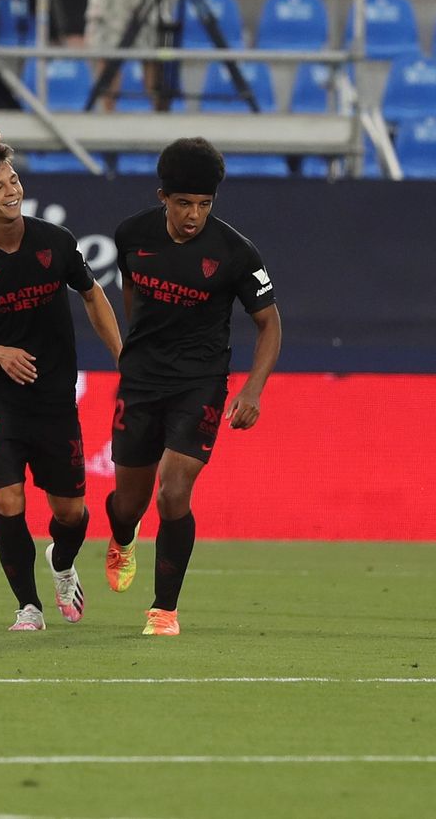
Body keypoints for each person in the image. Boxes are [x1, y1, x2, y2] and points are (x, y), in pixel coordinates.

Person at [105, 138, 282, 636]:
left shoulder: (236, 253)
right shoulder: (131, 235)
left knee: (174, 491)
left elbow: (270, 324)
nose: (193, 216)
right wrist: (135, 345)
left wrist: (252, 390)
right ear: (163, 196)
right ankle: (122, 535)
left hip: (200, 384)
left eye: (204, 205)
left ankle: (164, 610)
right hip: (140, 382)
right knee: (129, 503)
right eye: (184, 203)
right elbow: (132, 288)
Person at [0, 145, 121, 631]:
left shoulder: (56, 242)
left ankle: (62, 563)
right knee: (8, 501)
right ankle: (28, 606)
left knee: (71, 513)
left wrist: (120, 354)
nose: (11, 191)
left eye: (14, 181)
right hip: (0, 400)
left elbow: (93, 294)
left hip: (55, 399)